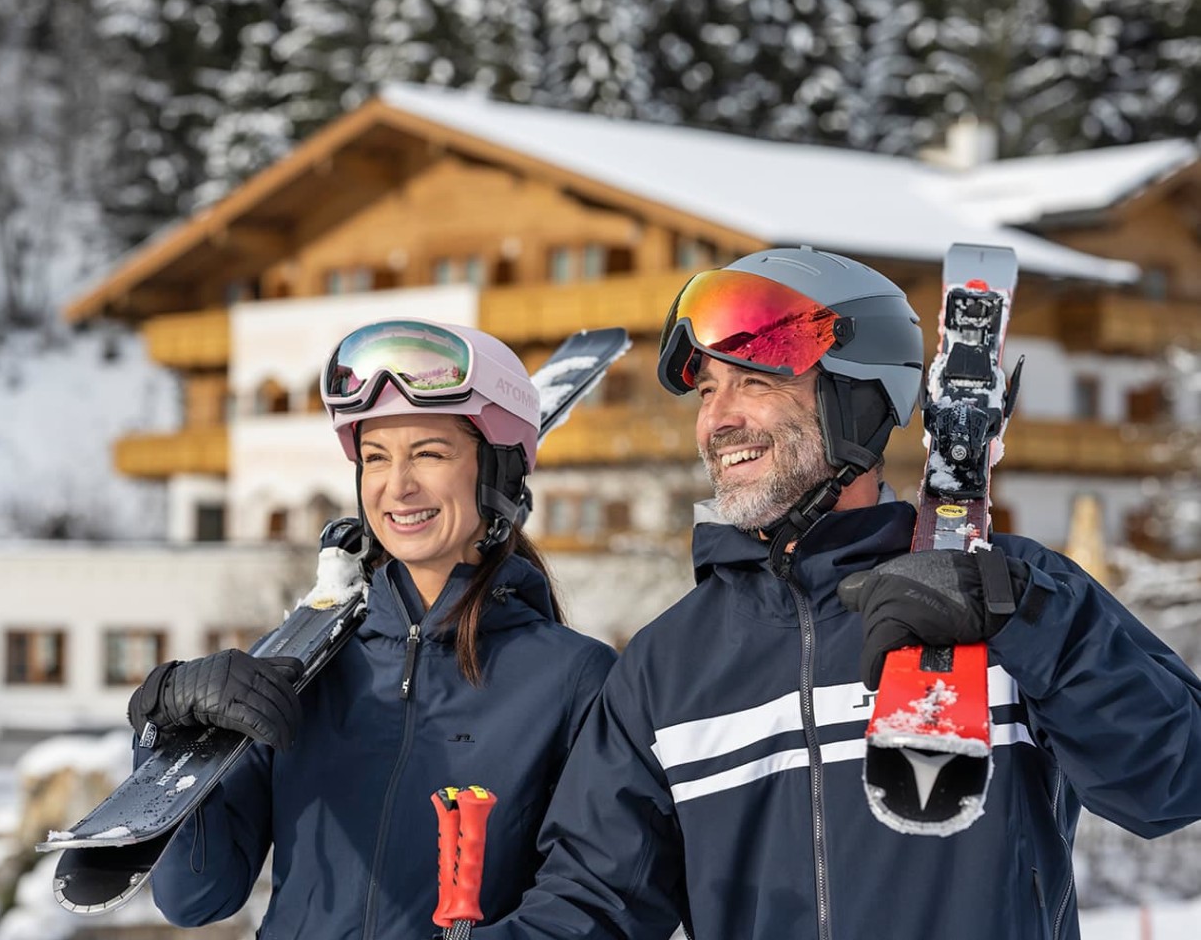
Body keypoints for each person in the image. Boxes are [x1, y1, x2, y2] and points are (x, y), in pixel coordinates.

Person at [471, 248, 1201, 940]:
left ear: (859, 400)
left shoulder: (1015, 597)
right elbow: (593, 904)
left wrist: (1029, 616)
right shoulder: (665, 669)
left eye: (754, 382)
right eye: (707, 390)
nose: (718, 419)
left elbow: (1172, 777)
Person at [125, 318, 616, 937]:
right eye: (375, 457)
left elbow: (593, 905)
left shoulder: (574, 680)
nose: (397, 486)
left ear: (498, 476)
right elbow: (195, 896)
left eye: (429, 454)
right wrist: (170, 738)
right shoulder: (300, 668)